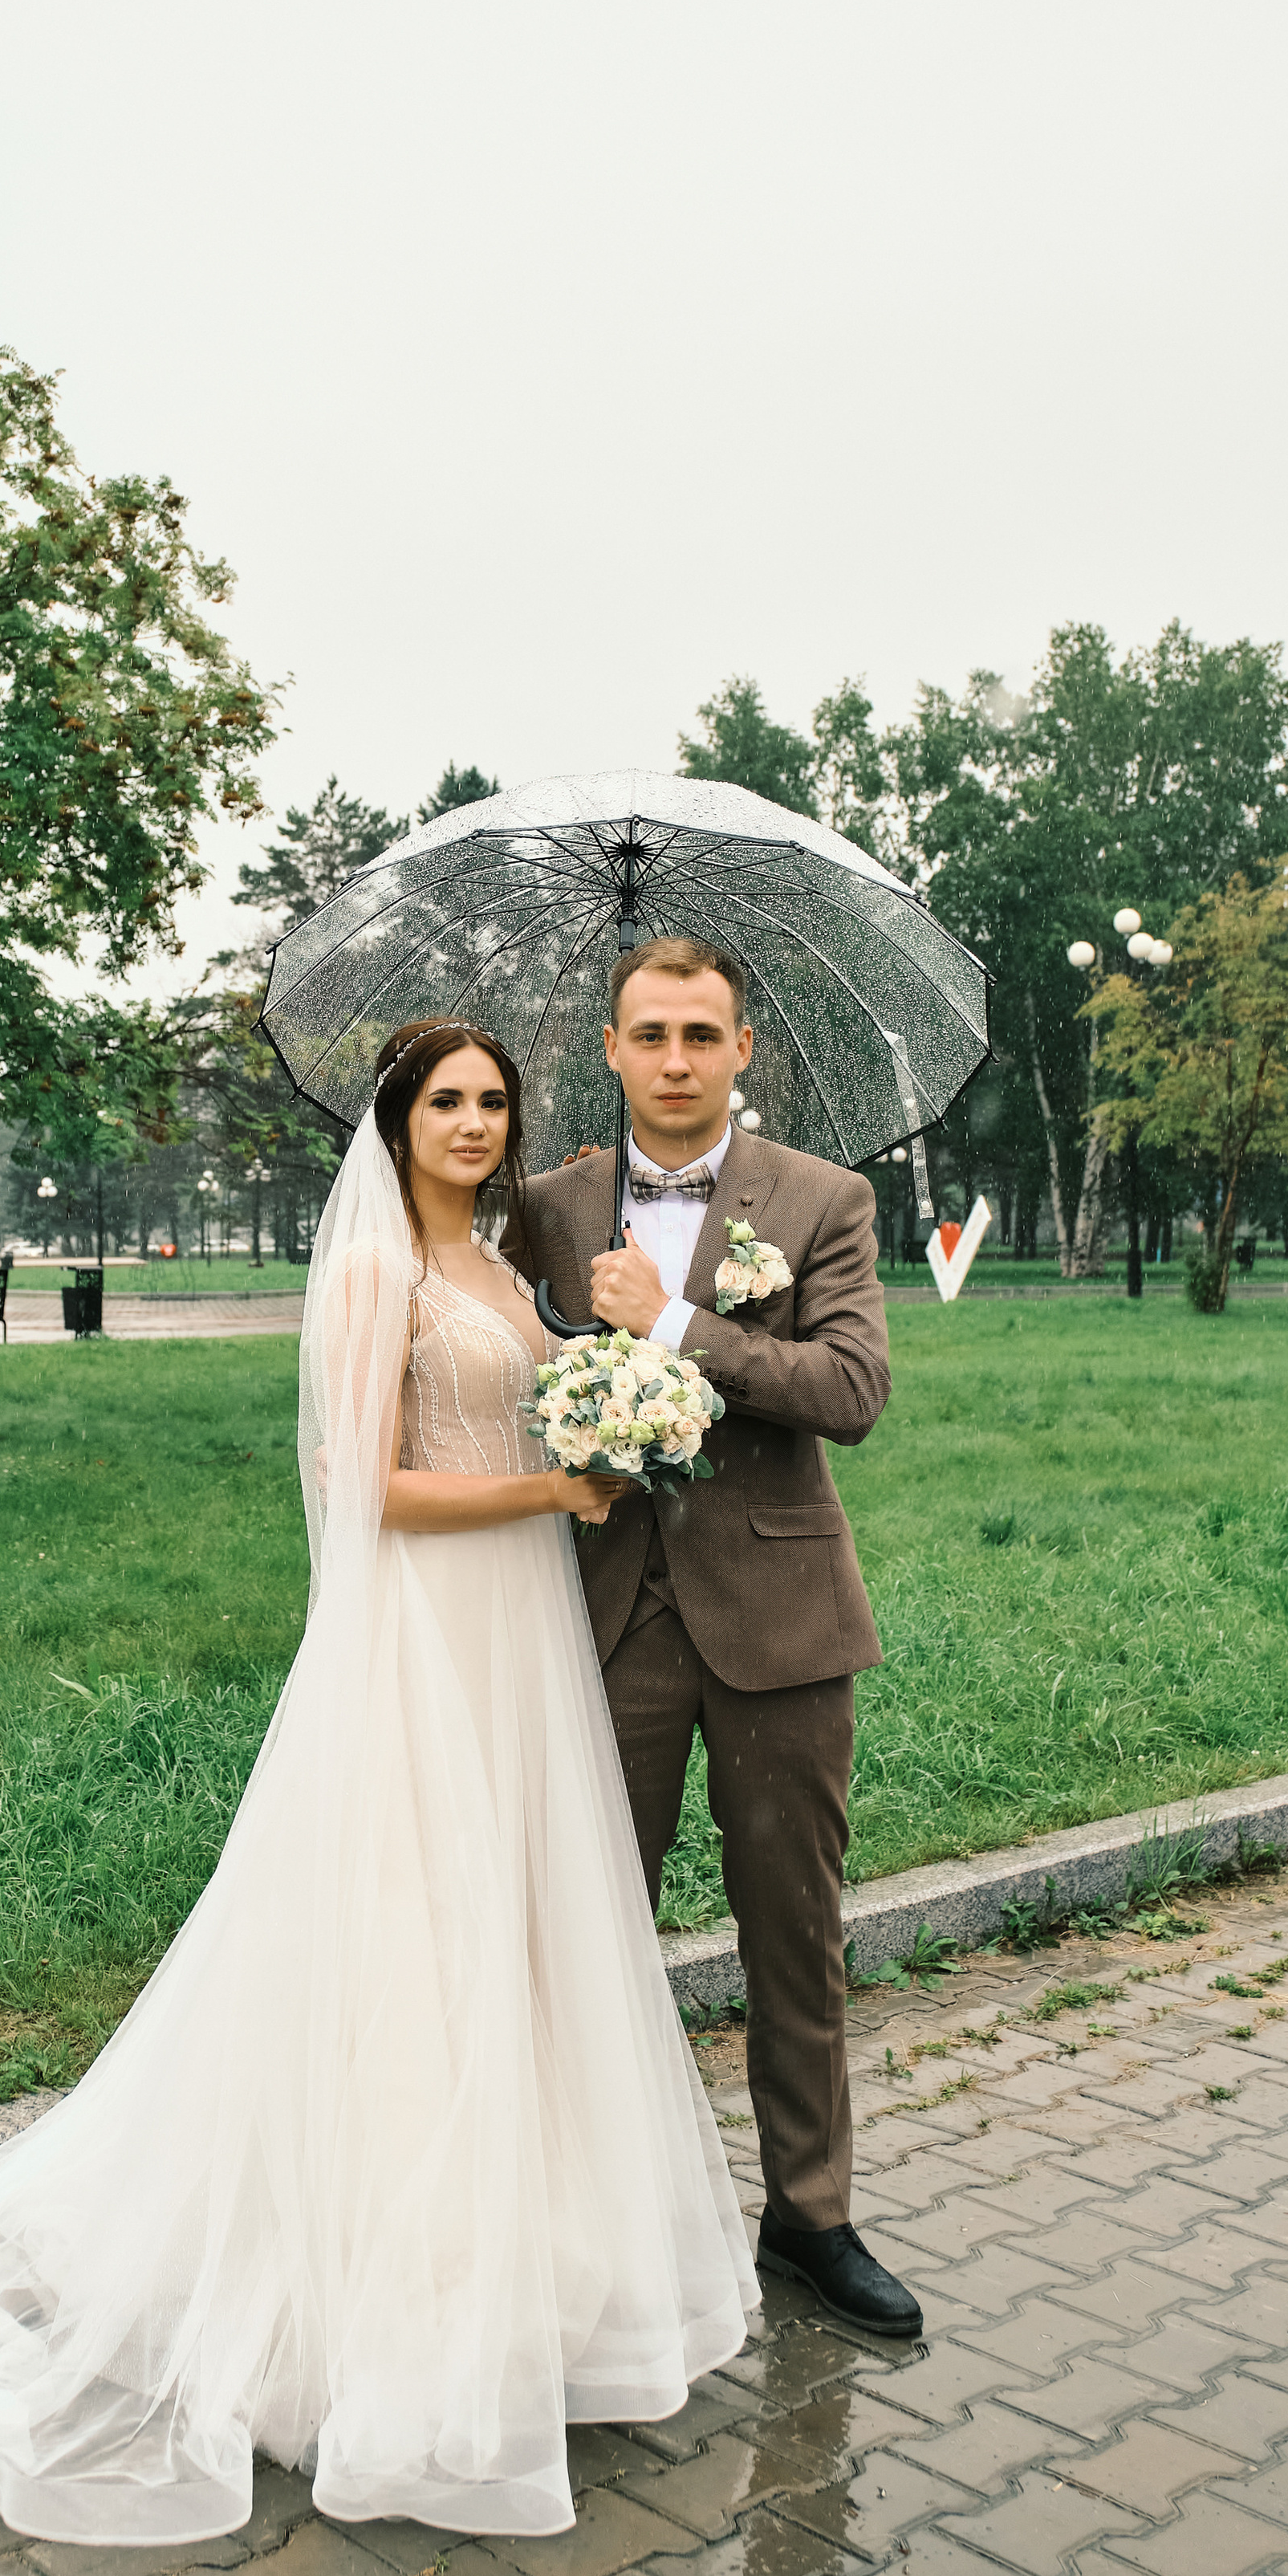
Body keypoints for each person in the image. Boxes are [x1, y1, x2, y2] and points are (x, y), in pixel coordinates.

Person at [0, 1018, 757, 2543]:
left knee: (509, 1938)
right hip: (417, 1638)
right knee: (410, 1937)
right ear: (396, 1123)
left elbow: (522, 1401)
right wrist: (554, 1483)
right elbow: (363, 1486)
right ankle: (373, 2300)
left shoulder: (501, 1275)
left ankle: (513, 2274)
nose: (473, 1123)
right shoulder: (371, 1273)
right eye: (445, 1102)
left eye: (493, 1103)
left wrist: (620, 1384)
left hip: (521, 1632)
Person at [507, 936, 920, 2342]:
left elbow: (852, 1388)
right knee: (581, 1929)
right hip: (601, 1620)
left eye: (702, 1034)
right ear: (611, 1053)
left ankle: (811, 2217)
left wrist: (676, 1322)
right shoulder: (548, 1207)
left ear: (745, 1051)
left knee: (792, 1936)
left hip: (780, 1624)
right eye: (650, 1035)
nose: (676, 1059)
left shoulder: (822, 1200)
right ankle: (576, 2229)